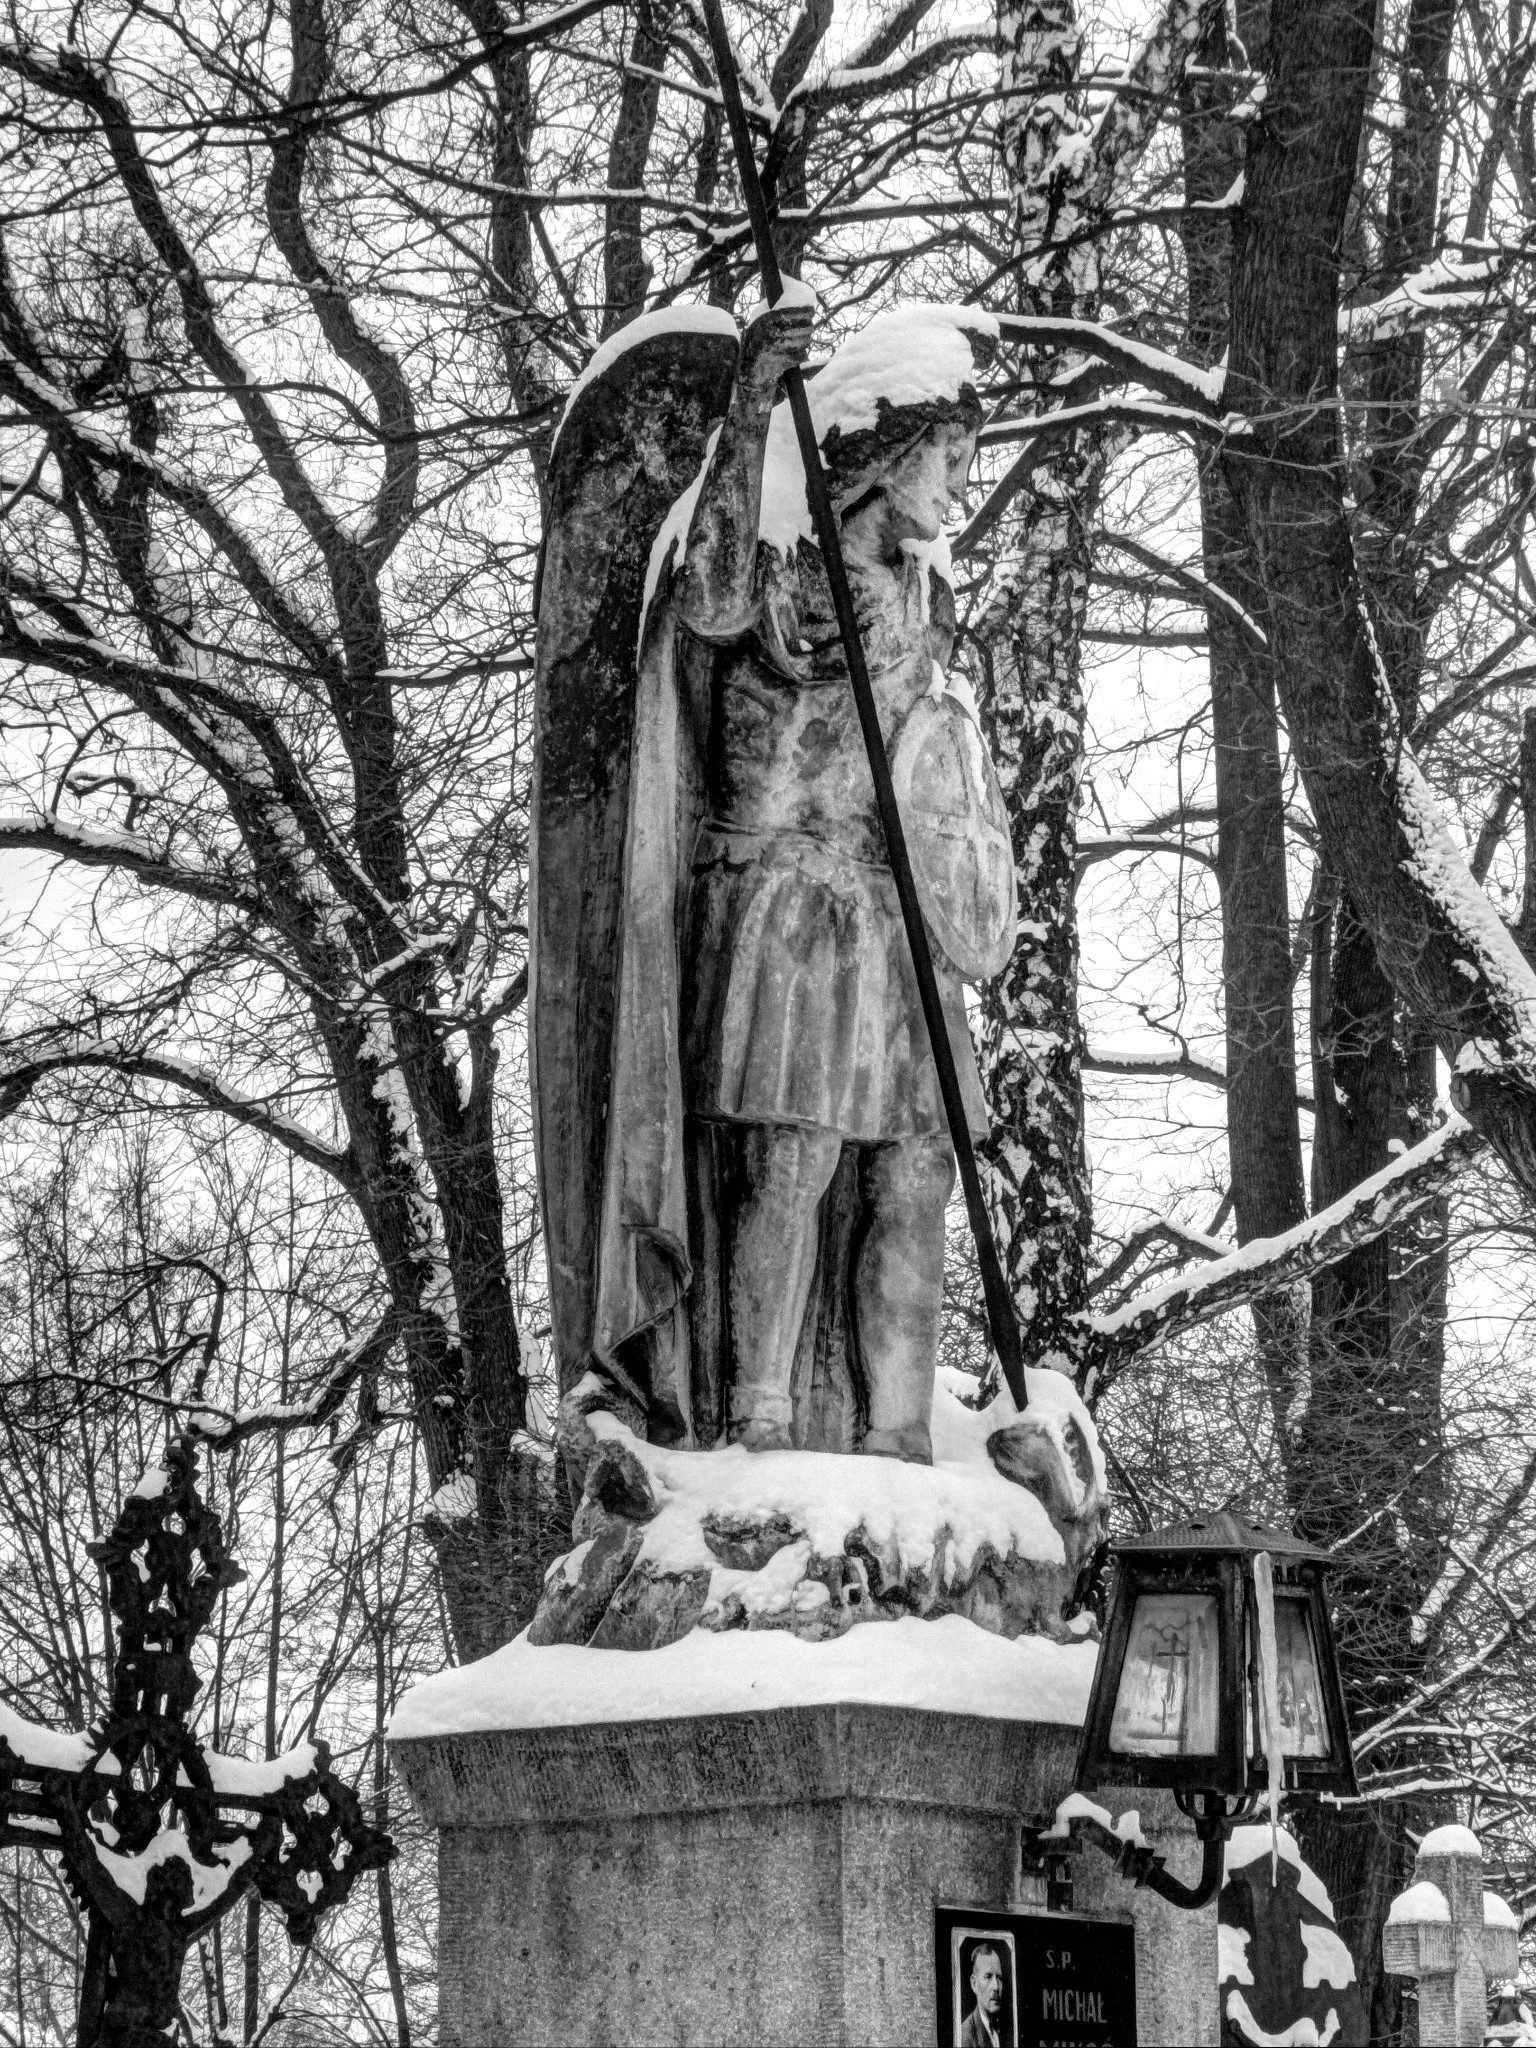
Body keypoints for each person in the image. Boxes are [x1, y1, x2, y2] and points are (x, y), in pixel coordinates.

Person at [672, 298, 1009, 1459]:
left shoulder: (928, 599)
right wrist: (748, 409)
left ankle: (899, 1434)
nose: (958, 486)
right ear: (889, 449)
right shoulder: (784, 566)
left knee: (918, 1172)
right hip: (789, 898)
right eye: (948, 457)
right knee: (796, 1158)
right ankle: (759, 1419)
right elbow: (707, 599)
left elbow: (941, 780)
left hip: (891, 911)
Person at [959, 1942, 1007, 2048]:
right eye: (988, 1977)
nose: (996, 1987)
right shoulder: (965, 2036)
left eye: (999, 1978)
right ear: (974, 1984)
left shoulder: (1004, 2030)